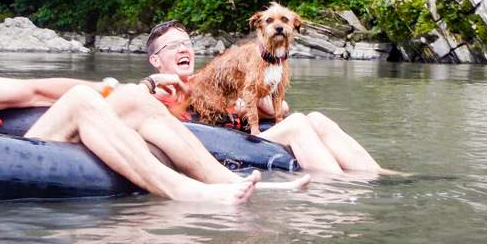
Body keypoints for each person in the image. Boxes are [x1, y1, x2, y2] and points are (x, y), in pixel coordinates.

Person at [0, 0, 304, 206]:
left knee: (122, 97)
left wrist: (113, 89)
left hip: (20, 148)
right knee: (82, 102)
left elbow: (35, 90)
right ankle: (181, 192)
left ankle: (222, 181)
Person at [145, 21, 388, 174]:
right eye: (172, 46)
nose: (183, 49)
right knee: (296, 125)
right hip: (222, 146)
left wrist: (246, 93)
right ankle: (337, 187)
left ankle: (378, 174)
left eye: (186, 43)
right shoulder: (156, 93)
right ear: (155, 60)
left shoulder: (213, 78)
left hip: (246, 136)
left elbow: (279, 107)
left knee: (316, 119)